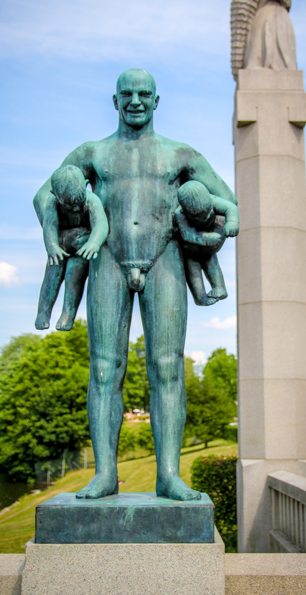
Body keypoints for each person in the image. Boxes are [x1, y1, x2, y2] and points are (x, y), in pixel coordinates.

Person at [34, 69, 238, 501]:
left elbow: (227, 203)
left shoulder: (180, 153)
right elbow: (43, 195)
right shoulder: (94, 152)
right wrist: (64, 233)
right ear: (114, 100)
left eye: (144, 94)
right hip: (107, 257)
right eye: (127, 94)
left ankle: (168, 475)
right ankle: (105, 474)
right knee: (105, 368)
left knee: (167, 367)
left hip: (163, 258)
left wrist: (198, 222)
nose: (136, 101)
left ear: (157, 100)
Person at [35, 165, 108, 331]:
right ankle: (43, 312)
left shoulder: (92, 200)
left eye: (78, 203)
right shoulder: (52, 202)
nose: (75, 208)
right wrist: (52, 246)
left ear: (86, 185)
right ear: (55, 195)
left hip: (81, 245)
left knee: (73, 275)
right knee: (52, 273)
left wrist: (93, 243)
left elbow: (101, 224)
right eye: (68, 205)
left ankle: (68, 313)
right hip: (61, 243)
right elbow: (49, 226)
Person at [175, 180, 239, 306]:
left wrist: (232, 222)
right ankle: (200, 297)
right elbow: (187, 236)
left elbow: (231, 207)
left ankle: (219, 288)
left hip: (207, 245)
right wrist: (209, 239)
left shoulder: (214, 200)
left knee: (211, 261)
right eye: (199, 216)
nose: (206, 216)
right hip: (192, 248)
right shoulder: (180, 214)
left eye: (209, 211)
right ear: (186, 211)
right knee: (193, 269)